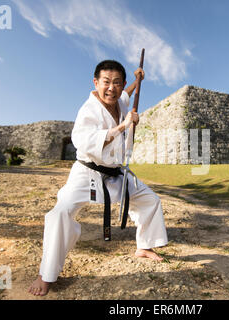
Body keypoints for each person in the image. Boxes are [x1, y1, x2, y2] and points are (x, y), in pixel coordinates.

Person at [28, 60, 168, 296]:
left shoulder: (120, 100)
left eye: (116, 83)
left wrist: (138, 80)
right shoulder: (88, 110)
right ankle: (46, 273)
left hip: (115, 173)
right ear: (96, 82)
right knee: (61, 212)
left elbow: (125, 94)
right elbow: (86, 141)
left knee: (150, 200)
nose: (111, 88)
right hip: (87, 172)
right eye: (106, 82)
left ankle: (144, 247)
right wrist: (123, 127)